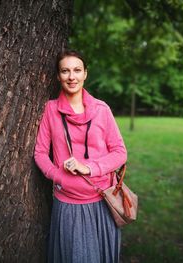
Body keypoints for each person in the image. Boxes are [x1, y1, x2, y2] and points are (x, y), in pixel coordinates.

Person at [34, 49, 127, 263]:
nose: (71, 76)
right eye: (65, 71)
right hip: (68, 205)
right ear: (58, 76)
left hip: (103, 201)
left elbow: (120, 153)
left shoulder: (102, 110)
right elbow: (40, 152)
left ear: (85, 73)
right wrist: (58, 176)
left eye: (77, 70)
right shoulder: (51, 110)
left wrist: (90, 167)